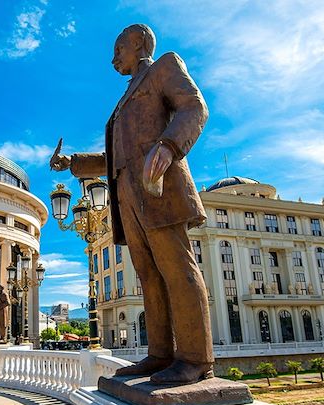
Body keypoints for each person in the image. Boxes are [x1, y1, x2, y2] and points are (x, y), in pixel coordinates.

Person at [50, 24, 213, 384]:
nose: (113, 59)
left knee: (177, 267)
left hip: (158, 185)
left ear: (138, 41)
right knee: (148, 275)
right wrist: (73, 162)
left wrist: (169, 146)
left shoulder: (164, 68)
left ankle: (196, 359)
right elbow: (114, 156)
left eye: (118, 48)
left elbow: (194, 107)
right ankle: (159, 355)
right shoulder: (124, 101)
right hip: (126, 194)